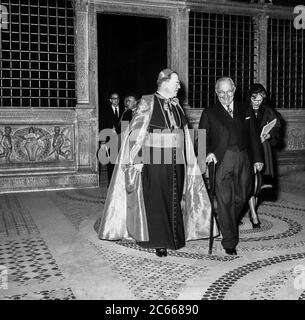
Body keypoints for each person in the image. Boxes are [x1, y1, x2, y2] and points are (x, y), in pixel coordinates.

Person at [94, 68, 216, 257]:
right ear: (165, 83)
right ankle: (159, 241)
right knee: (158, 200)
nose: (178, 86)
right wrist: (137, 159)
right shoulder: (148, 101)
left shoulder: (175, 104)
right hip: (155, 160)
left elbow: (183, 132)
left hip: (177, 161)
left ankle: (175, 237)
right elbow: (137, 131)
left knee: (175, 197)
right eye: (176, 83)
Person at [198, 77, 264, 255]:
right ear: (216, 92)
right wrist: (207, 154)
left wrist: (258, 159)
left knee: (243, 196)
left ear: (234, 89)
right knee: (225, 200)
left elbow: (253, 135)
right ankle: (229, 242)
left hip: (244, 158)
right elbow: (202, 140)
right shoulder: (209, 113)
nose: (225, 96)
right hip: (222, 160)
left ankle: (226, 220)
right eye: (221, 92)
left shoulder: (245, 108)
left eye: (229, 91)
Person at [247, 83, 282, 228]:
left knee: (258, 182)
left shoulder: (268, 111)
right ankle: (253, 213)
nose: (257, 103)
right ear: (250, 98)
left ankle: (252, 209)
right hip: (247, 149)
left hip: (263, 148)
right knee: (249, 181)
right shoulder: (243, 110)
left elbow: (277, 128)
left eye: (260, 100)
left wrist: (268, 135)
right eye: (255, 100)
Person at [99, 92, 125, 185]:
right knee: (111, 164)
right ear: (110, 100)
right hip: (109, 140)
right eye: (114, 98)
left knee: (121, 162)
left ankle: (120, 183)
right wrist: (102, 142)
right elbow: (102, 126)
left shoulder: (124, 110)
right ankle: (111, 184)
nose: (116, 100)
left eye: (117, 98)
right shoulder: (105, 111)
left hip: (121, 140)